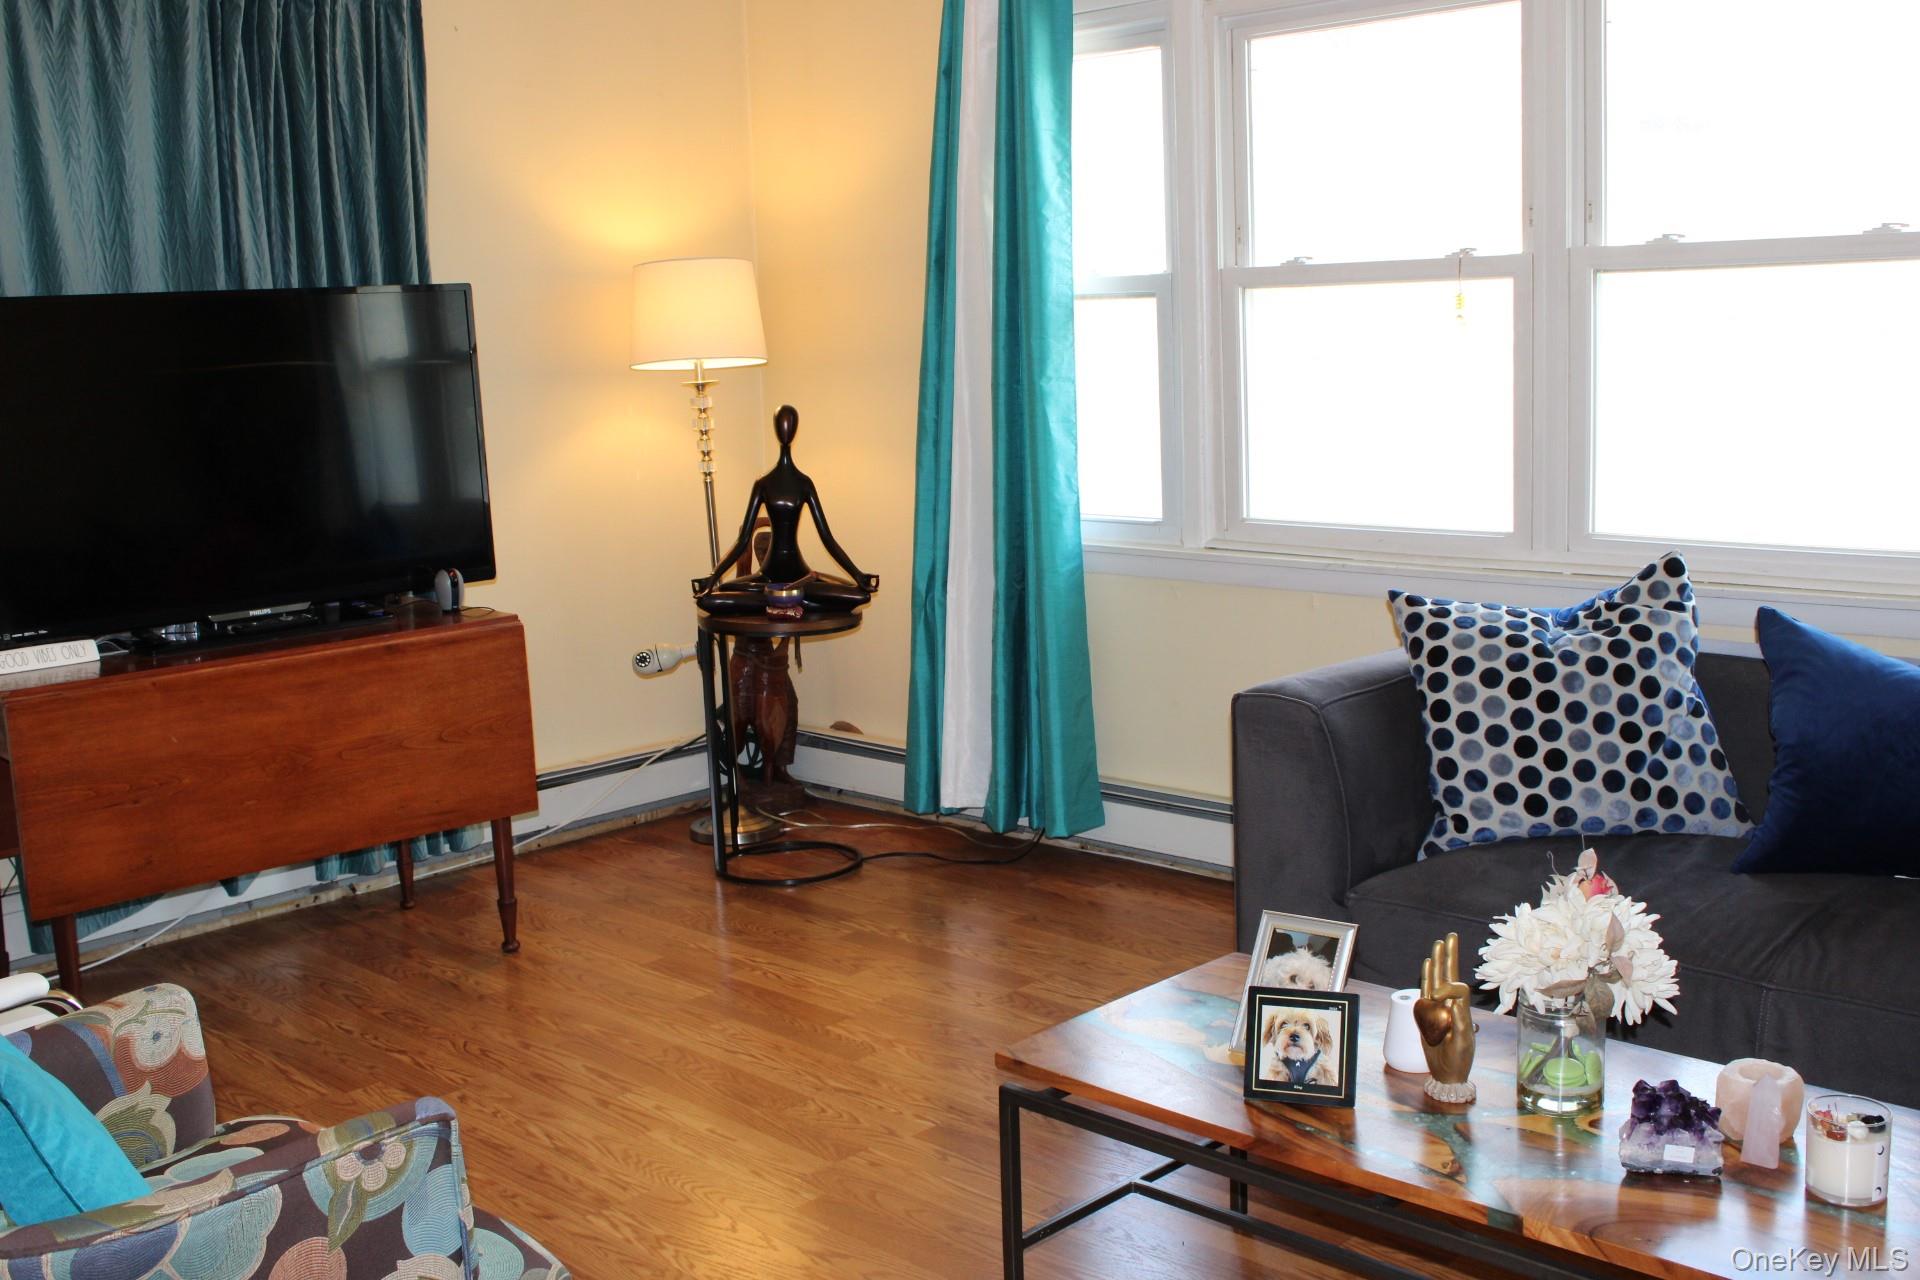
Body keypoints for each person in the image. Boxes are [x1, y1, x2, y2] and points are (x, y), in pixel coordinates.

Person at [692, 405, 878, 616]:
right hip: (766, 578)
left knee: (860, 595)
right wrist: (713, 577)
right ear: (775, 428)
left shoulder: (804, 483)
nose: (786, 429)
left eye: (790, 423)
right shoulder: (763, 483)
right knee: (715, 596)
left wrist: (858, 575)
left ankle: (784, 601)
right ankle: (791, 601)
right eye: (781, 424)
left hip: (802, 576)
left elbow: (827, 538)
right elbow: (743, 540)